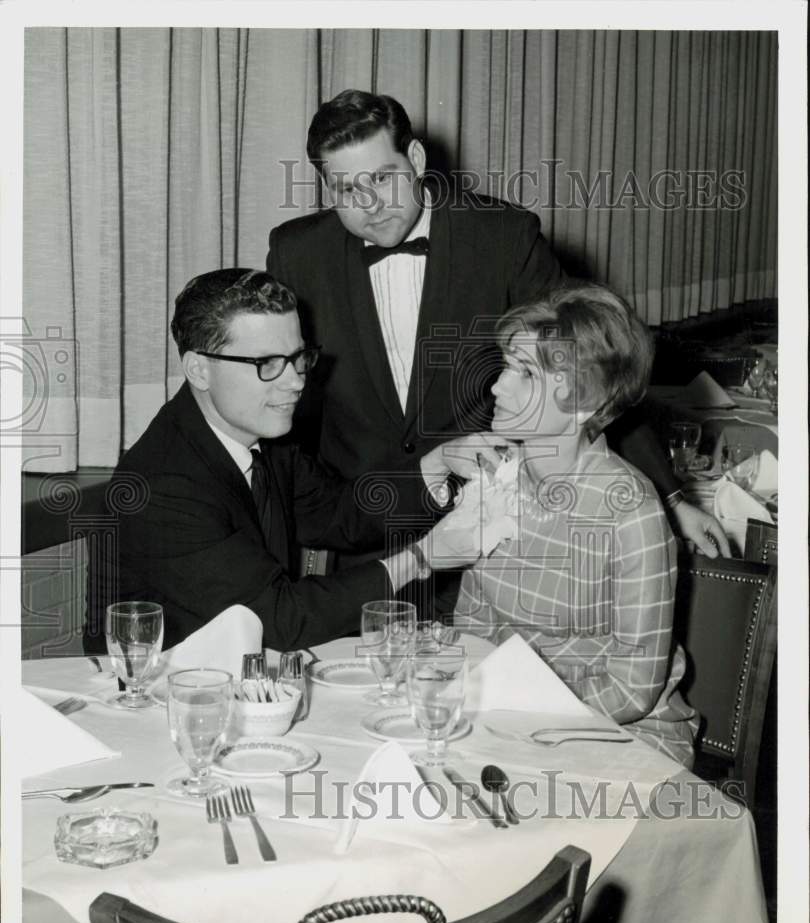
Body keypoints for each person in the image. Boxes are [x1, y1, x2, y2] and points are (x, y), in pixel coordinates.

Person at [266, 88, 729, 601]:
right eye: (347, 189)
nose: (369, 206)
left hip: (496, 539)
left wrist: (670, 496)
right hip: (366, 547)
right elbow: (284, 410)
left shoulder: (500, 237)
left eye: (382, 178)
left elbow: (592, 361)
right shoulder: (298, 253)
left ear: (415, 160)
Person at [85, 268, 493, 653]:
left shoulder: (264, 437)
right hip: (159, 699)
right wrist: (422, 558)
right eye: (267, 364)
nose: (296, 381)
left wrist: (437, 463)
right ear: (199, 369)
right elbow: (280, 620)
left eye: (299, 357)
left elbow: (339, 515)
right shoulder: (164, 485)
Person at [453, 282, 699, 767]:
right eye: (506, 366)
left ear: (583, 403)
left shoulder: (630, 510)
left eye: (525, 373)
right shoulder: (493, 481)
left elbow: (632, 690)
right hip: (510, 722)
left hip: (622, 737)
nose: (498, 386)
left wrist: (525, 714)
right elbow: (471, 628)